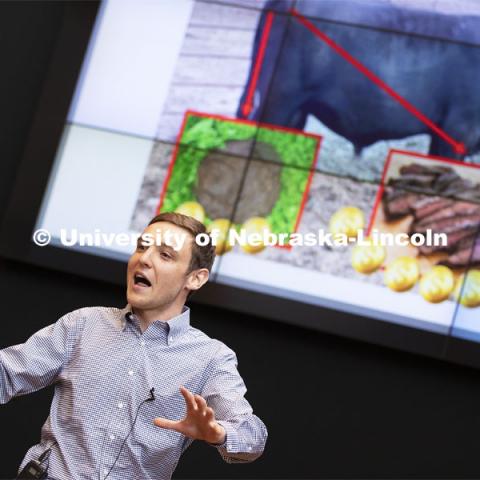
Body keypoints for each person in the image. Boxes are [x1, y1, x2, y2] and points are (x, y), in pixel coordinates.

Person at [1, 212, 268, 479]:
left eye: (165, 255)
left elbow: (252, 436)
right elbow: (8, 372)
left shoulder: (211, 358)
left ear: (195, 278)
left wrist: (217, 433)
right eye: (142, 247)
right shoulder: (83, 325)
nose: (145, 259)